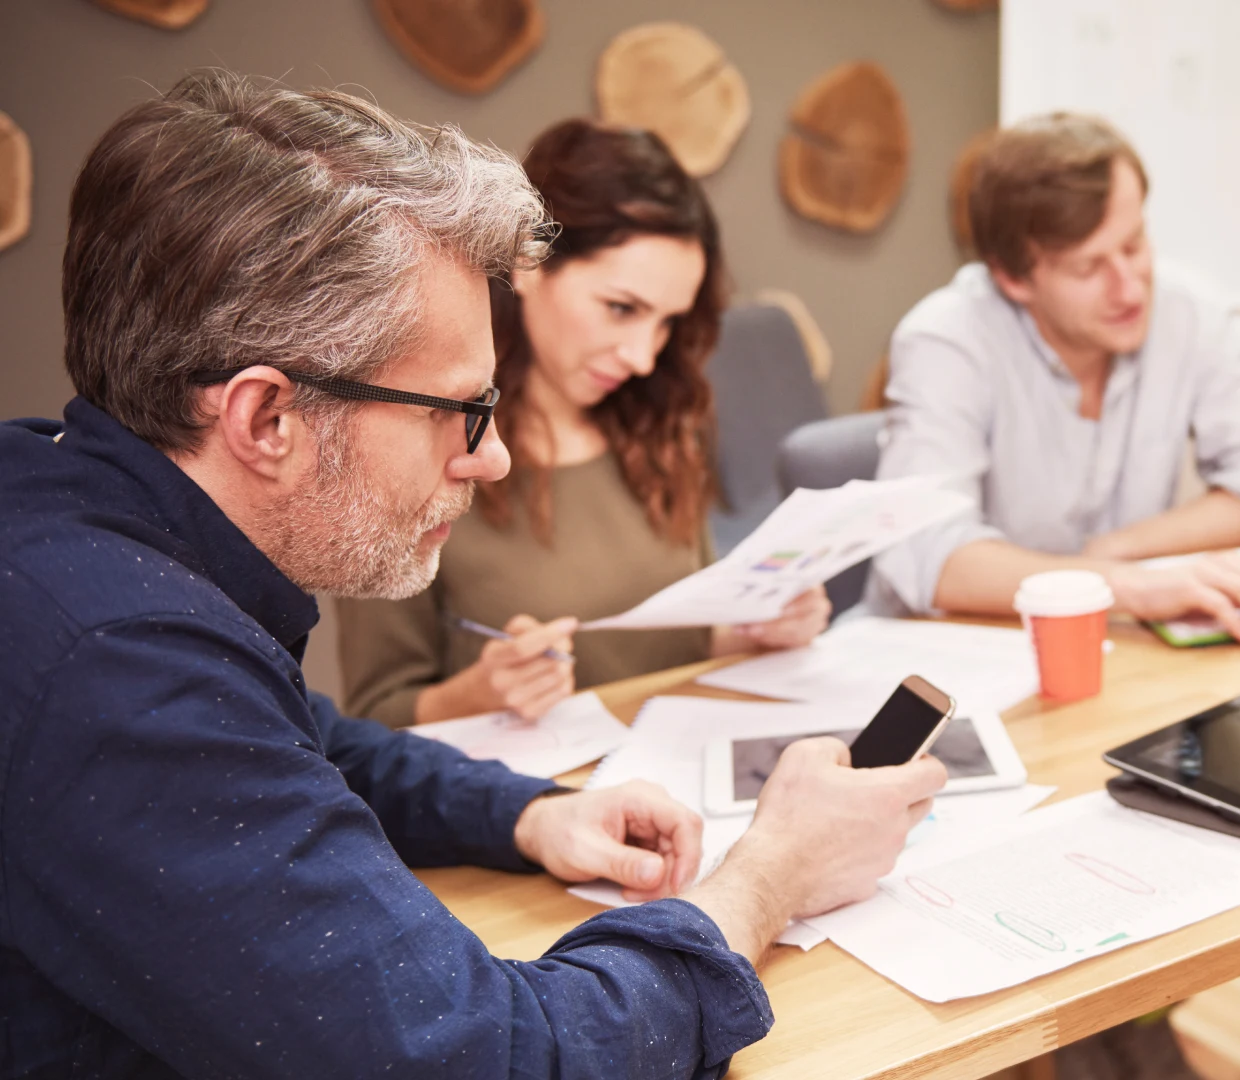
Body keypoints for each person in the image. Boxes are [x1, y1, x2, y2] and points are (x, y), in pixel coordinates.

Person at [0, 72, 945, 1079]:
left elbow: (302, 741)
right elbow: (496, 1058)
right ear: (266, 419)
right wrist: (770, 876)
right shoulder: (116, 665)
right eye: (459, 411)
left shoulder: (79, 522)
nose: (489, 459)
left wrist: (527, 813)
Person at [337, 119, 828, 728]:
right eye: (621, 309)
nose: (643, 356)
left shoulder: (660, 423)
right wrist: (481, 692)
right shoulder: (418, 448)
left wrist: (760, 629)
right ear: (528, 262)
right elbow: (372, 723)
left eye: (666, 322)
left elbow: (671, 648)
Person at [868, 113, 1240, 644]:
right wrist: (1127, 586)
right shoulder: (947, 339)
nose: (1130, 290)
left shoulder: (1187, 312)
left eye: (1135, 245)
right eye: (1088, 269)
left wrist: (1116, 550)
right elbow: (926, 555)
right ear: (1012, 277)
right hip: (949, 666)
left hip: (1114, 656)